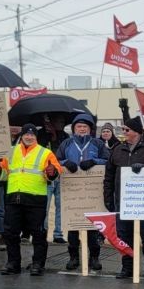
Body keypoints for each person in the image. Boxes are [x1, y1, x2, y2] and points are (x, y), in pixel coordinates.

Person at [103, 116, 144, 280]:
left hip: (143, 201)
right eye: (123, 130)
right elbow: (109, 175)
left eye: (127, 130)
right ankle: (127, 267)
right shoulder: (118, 149)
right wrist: (108, 197)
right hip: (123, 202)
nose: (123, 133)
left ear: (137, 132)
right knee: (124, 236)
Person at [2, 123, 62, 275]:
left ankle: (38, 264)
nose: (29, 137)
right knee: (10, 233)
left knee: (38, 233)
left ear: (36, 137)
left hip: (36, 199)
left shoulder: (45, 152)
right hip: (13, 197)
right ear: (21, 136)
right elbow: (3, 172)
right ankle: (13, 263)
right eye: (26, 134)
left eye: (32, 135)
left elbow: (56, 172)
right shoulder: (10, 151)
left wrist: (52, 171)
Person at [57, 113, 110, 271]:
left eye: (85, 126)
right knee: (73, 227)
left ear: (90, 129)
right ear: (74, 128)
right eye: (79, 126)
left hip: (91, 192)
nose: (82, 129)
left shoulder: (97, 143)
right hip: (72, 192)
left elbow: (108, 160)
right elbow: (56, 159)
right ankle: (73, 258)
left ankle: (94, 257)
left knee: (92, 228)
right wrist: (66, 162)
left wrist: (94, 161)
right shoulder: (66, 143)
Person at [37, 113, 69, 244]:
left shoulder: (65, 136)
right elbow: (39, 150)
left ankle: (58, 233)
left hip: (61, 174)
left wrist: (55, 136)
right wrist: (48, 135)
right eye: (59, 120)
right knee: (44, 205)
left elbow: (62, 154)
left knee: (60, 206)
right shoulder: (41, 134)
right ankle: (43, 232)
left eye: (63, 121)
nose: (61, 123)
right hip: (46, 175)